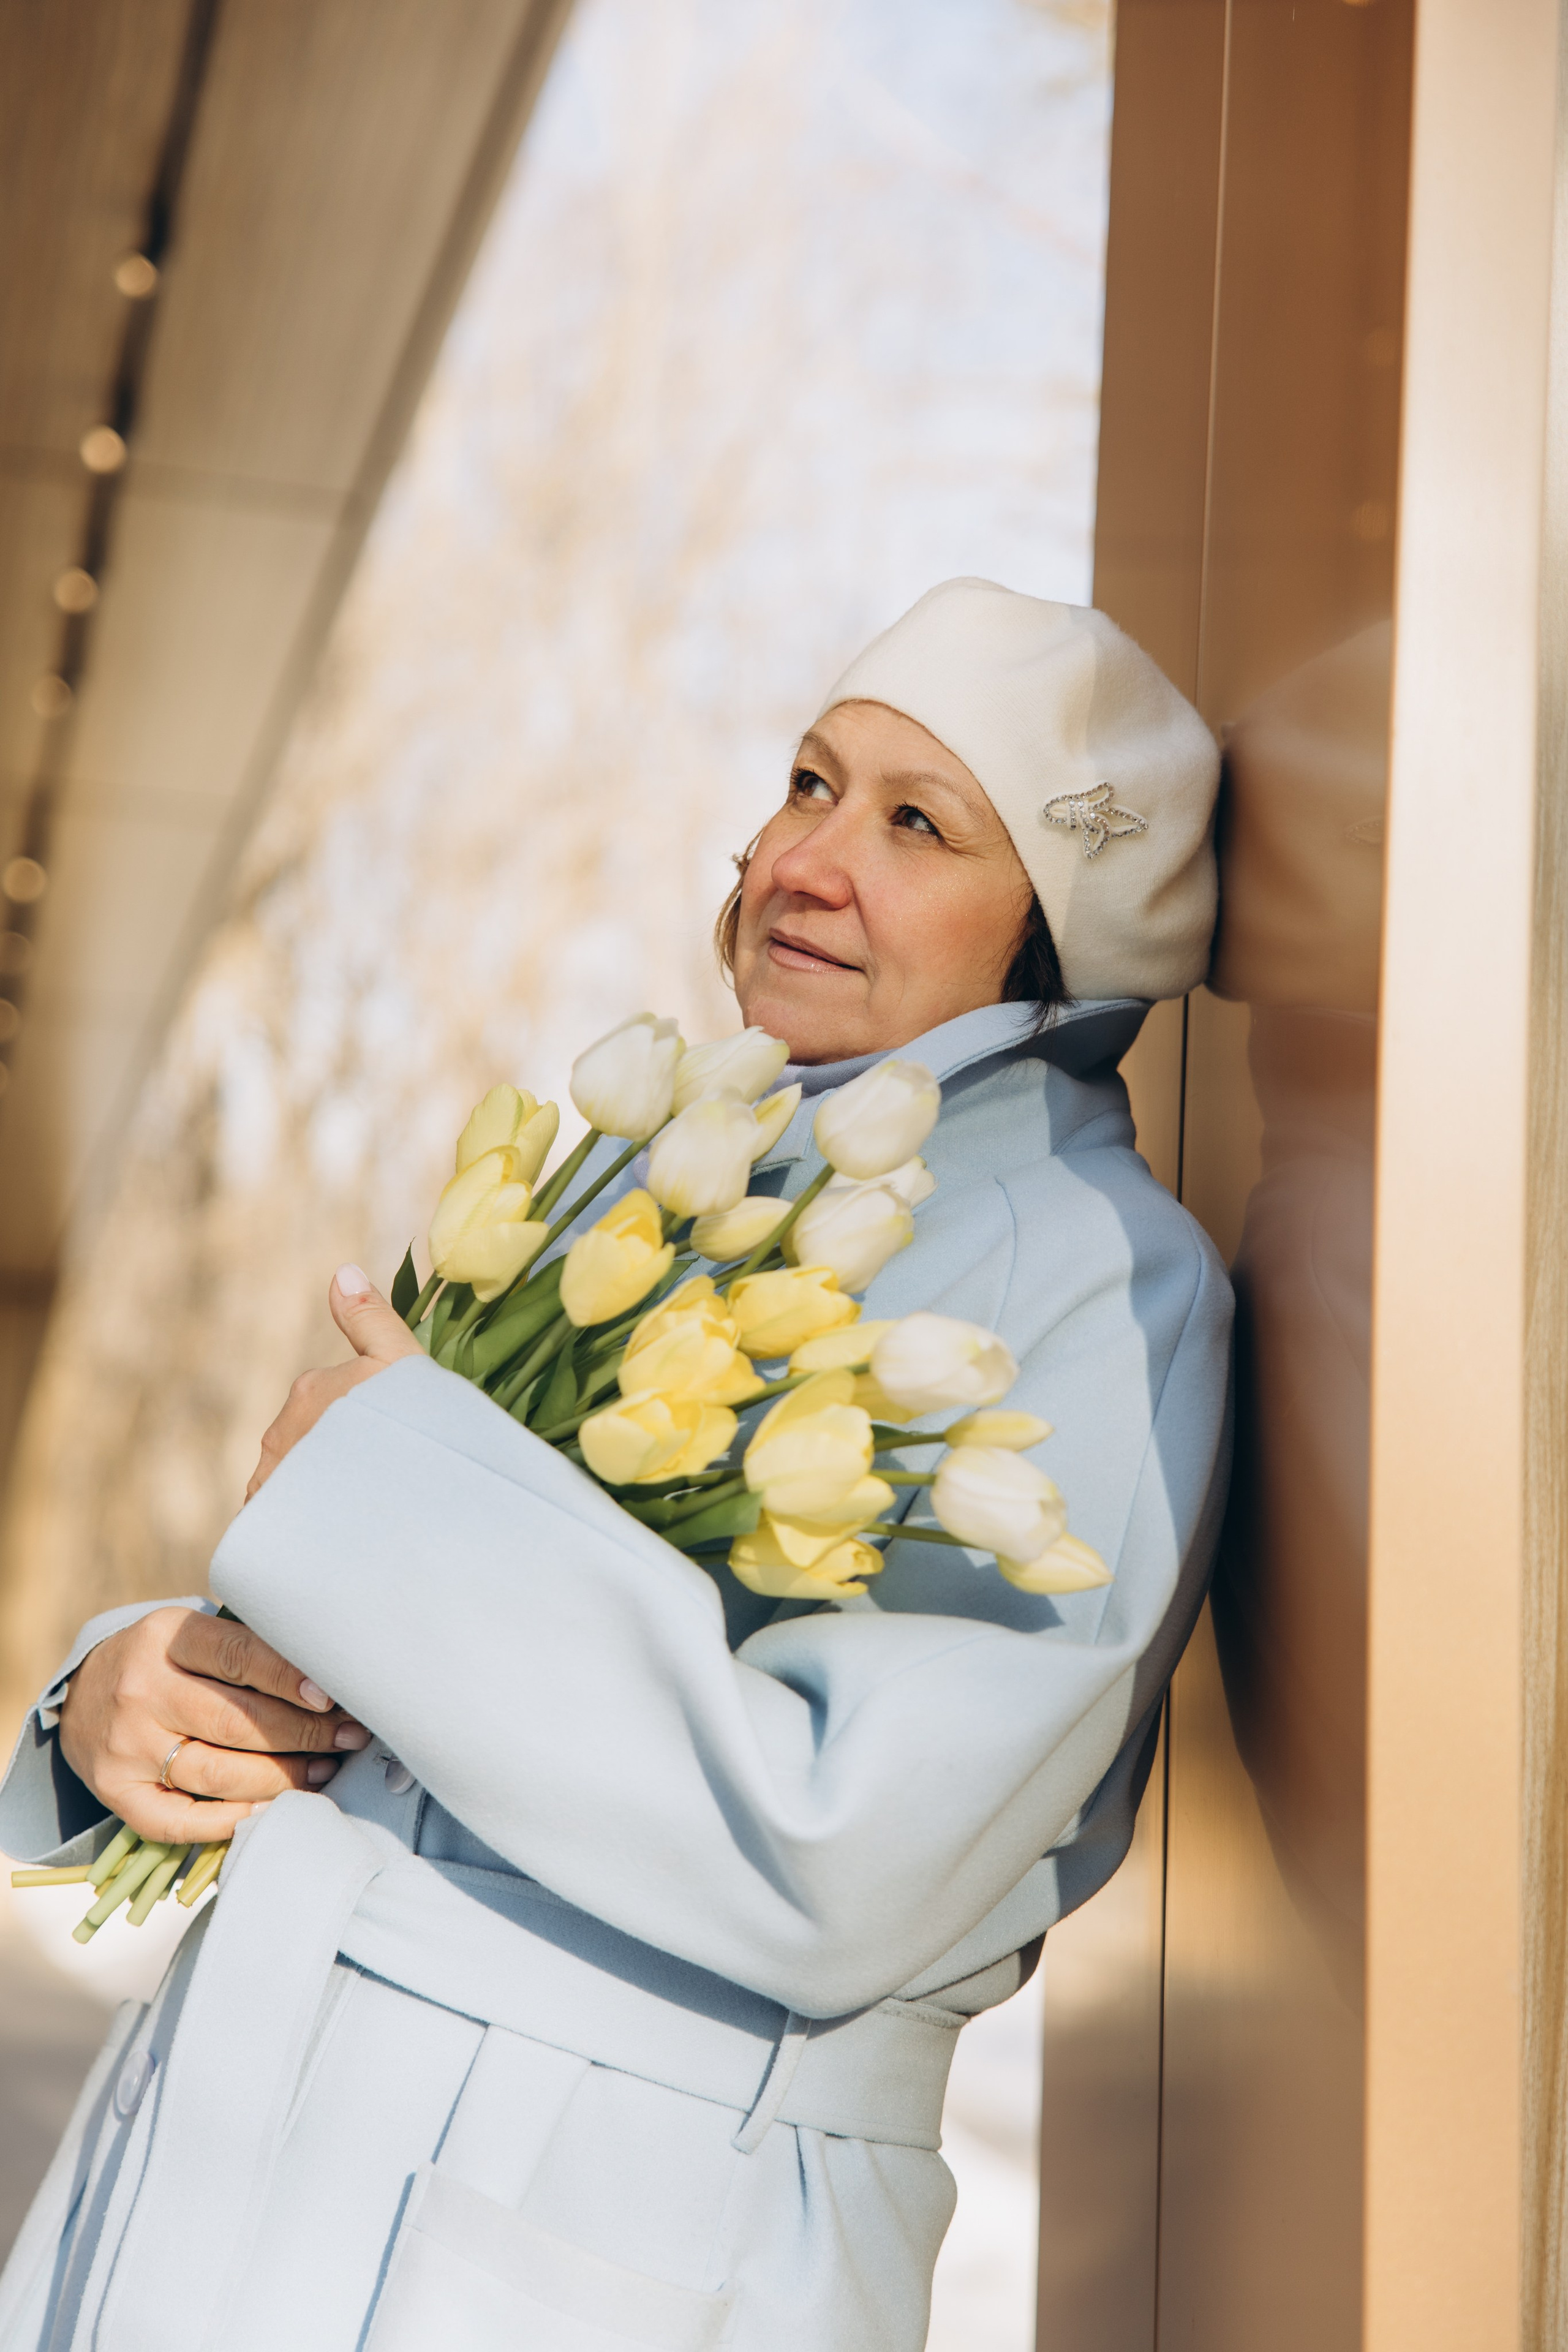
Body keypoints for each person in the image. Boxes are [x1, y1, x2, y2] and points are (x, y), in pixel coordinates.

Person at [0, 579, 1232, 2352]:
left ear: (1057, 932)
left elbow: (845, 1852)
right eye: (809, 781)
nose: (807, 857)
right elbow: (452, 1684)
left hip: (607, 2213)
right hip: (240, 2148)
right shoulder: (658, 1181)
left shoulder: (1107, 1286)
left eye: (916, 822)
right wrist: (134, 1698)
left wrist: (393, 1494)